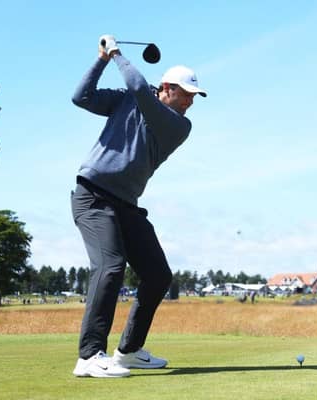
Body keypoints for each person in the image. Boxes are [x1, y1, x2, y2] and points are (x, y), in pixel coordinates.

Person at [70, 35, 206, 378]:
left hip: (126, 204)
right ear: (167, 88)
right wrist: (102, 59)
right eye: (186, 94)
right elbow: (81, 97)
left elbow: (142, 92)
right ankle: (88, 356)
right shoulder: (130, 99)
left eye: (194, 96)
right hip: (93, 196)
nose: (190, 101)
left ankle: (128, 350)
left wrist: (117, 54)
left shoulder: (178, 125)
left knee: (158, 275)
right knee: (111, 266)